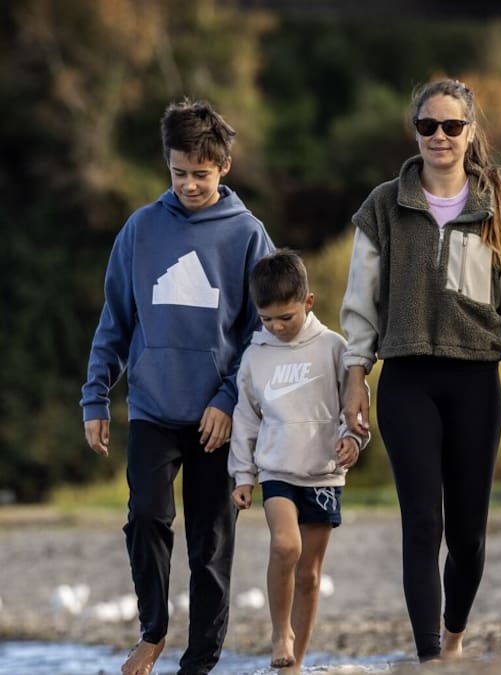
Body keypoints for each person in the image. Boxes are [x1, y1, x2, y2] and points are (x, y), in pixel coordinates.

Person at [339, 78, 501, 662]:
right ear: (415, 132)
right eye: (428, 126)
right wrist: (356, 372)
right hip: (405, 379)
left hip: (476, 381)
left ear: (470, 133)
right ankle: (431, 656)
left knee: (468, 536)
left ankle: (454, 635)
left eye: (452, 126)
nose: (439, 137)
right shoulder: (384, 205)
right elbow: (360, 297)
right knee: (422, 523)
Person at [81, 99, 274, 675]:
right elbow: (114, 321)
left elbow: (261, 332)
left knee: (210, 545)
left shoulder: (247, 235)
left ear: (225, 168)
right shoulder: (140, 230)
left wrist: (226, 400)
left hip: (217, 416)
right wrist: (95, 396)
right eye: (178, 173)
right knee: (146, 517)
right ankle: (153, 631)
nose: (189, 184)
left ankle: (201, 662)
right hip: (152, 407)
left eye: (201, 174)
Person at [227, 250, 369, 672]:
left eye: (285, 317)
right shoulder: (255, 357)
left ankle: (295, 663)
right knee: (285, 545)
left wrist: (354, 441)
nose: (275, 327)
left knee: (309, 574)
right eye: (267, 319)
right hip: (276, 471)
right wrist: (243, 474)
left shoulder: (334, 348)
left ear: (309, 302)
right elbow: (245, 417)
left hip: (324, 474)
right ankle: (279, 632)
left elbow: (355, 407)